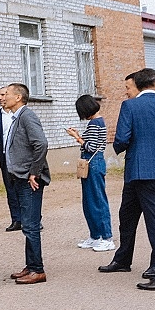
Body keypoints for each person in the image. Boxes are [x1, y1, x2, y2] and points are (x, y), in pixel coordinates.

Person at [99, 69, 155, 290]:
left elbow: (121, 138)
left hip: (144, 172)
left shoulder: (130, 106)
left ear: (138, 85)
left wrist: (122, 149)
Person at [0, 83, 50, 284]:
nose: (3, 98)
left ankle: (37, 270)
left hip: (30, 180)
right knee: (27, 224)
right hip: (19, 178)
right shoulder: (16, 117)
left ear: (18, 97)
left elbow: (41, 144)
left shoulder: (27, 116)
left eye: (7, 95)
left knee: (30, 225)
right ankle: (30, 265)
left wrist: (34, 172)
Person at [67, 94, 114, 252]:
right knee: (89, 201)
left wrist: (77, 137)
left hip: (93, 164)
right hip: (92, 164)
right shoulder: (97, 122)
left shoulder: (95, 123)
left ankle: (106, 237)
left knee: (97, 201)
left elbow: (91, 147)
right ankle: (95, 236)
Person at [0, 87, 24, 231]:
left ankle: (32, 218)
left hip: (21, 158)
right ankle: (16, 219)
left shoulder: (19, 114)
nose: (1, 97)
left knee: (24, 189)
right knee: (10, 189)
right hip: (5, 157)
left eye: (4, 94)